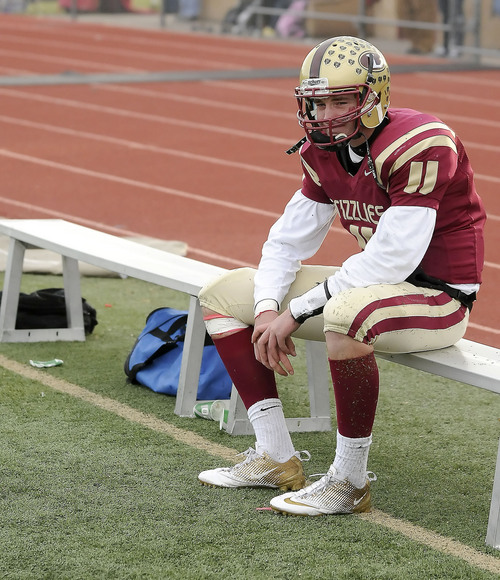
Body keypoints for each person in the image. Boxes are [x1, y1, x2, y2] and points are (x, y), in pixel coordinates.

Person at [197, 36, 486, 516]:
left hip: (438, 295)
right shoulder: (322, 151)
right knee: (223, 294)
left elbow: (392, 260)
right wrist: (267, 309)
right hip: (378, 287)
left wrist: (294, 312)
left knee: (345, 313)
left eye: (341, 101)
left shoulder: (419, 142)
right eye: (318, 103)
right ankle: (275, 456)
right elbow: (287, 242)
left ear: (374, 96)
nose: (325, 115)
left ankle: (349, 482)